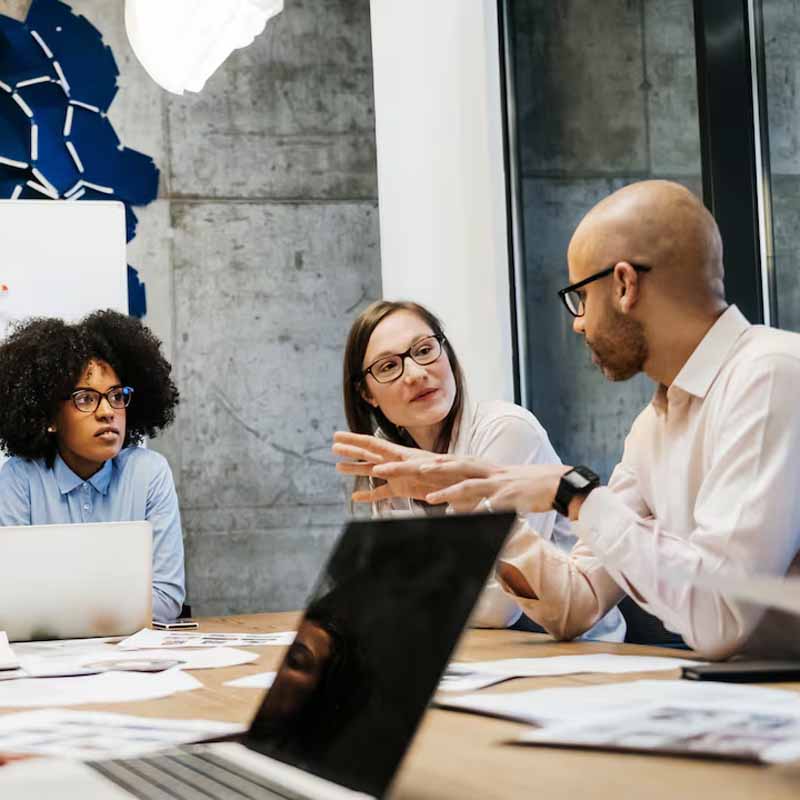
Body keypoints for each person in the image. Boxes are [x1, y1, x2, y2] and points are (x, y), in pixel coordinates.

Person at [337, 180, 800, 661]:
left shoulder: (769, 375)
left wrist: (573, 492)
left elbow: (721, 619)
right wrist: (484, 493)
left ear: (624, 285)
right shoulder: (654, 426)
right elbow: (576, 606)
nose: (578, 322)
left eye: (580, 296)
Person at [334, 300, 624, 641]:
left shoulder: (507, 430)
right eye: (387, 367)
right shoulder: (384, 457)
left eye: (424, 350)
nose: (415, 373)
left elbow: (499, 607)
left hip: (574, 653)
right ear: (367, 394)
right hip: (474, 654)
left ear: (446, 352)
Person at [0, 310, 185, 622]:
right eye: (86, 399)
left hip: (133, 663)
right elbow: (11, 602)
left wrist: (62, 609)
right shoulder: (19, 480)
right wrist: (113, 610)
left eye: (115, 396)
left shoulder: (149, 473)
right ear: (49, 418)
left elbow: (167, 597)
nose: (107, 412)